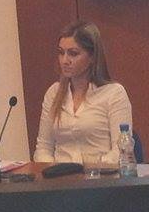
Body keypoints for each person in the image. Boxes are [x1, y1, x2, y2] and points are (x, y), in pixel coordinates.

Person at [33, 21, 132, 164]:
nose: (65, 60)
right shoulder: (53, 92)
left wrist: (92, 168)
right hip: (60, 174)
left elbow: (121, 150)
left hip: (100, 173)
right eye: (61, 53)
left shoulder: (113, 93)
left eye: (73, 54)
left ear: (92, 57)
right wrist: (51, 169)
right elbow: (43, 148)